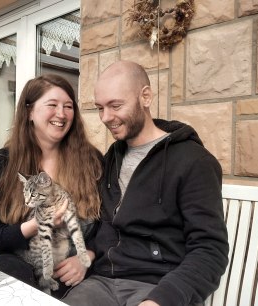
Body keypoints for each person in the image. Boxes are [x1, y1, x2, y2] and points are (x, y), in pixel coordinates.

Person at [62, 61, 229, 306]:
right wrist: (88, 253)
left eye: (115, 105)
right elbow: (106, 224)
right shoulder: (113, 157)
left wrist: (162, 299)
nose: (106, 118)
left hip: (160, 287)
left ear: (146, 97)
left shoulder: (194, 162)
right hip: (103, 282)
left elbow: (210, 249)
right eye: (100, 108)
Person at [0, 74, 103, 297]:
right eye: (52, 105)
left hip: (71, 268)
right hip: (15, 263)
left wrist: (89, 255)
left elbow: (110, 223)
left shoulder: (92, 161)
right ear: (29, 112)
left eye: (68, 106)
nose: (62, 114)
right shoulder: (2, 164)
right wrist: (35, 225)